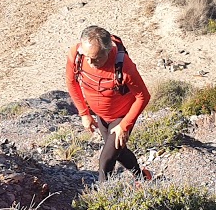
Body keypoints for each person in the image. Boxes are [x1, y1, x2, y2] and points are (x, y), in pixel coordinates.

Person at [65, 25, 152, 184]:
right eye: (87, 56)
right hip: (101, 116)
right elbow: (71, 82)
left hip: (121, 116)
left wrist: (125, 125)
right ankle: (143, 178)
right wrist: (84, 113)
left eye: (96, 58)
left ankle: (104, 198)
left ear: (108, 50)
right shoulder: (77, 55)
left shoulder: (124, 67)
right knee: (118, 152)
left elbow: (143, 96)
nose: (91, 62)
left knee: (106, 160)